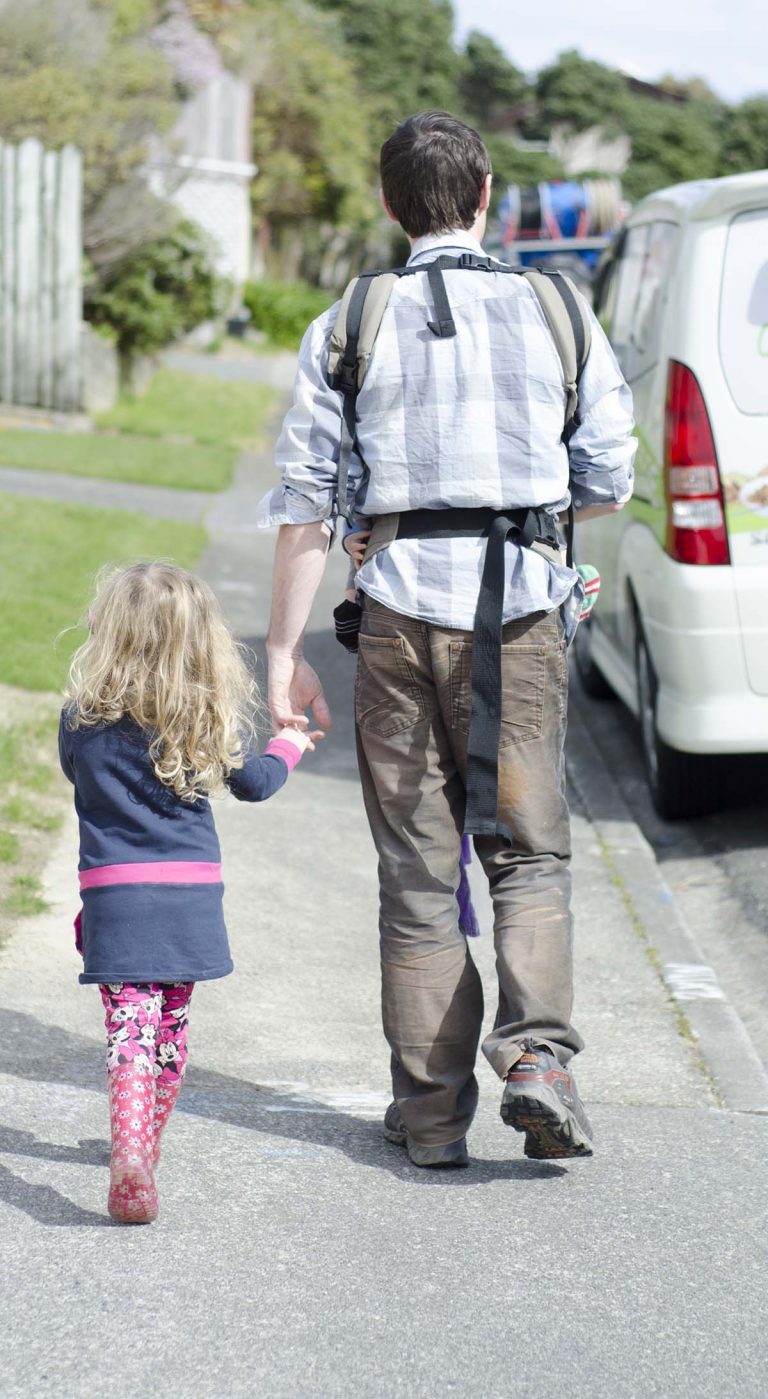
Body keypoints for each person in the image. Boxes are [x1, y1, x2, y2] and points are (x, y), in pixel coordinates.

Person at [262, 110, 636, 1167]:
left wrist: (283, 655)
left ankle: (430, 1119)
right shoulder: (558, 309)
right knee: (529, 851)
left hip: (397, 616)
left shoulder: (353, 317)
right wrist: (525, 517)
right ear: (485, 197)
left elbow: (305, 503)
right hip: (522, 617)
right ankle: (539, 1060)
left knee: (419, 872)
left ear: (391, 205)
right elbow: (609, 472)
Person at [59, 562, 316, 1223]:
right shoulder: (204, 717)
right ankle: (145, 1147)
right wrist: (288, 744)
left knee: (129, 1029)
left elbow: (74, 773)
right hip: (190, 900)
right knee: (170, 1029)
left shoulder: (80, 721)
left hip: (117, 900)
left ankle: (128, 1148)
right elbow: (254, 784)